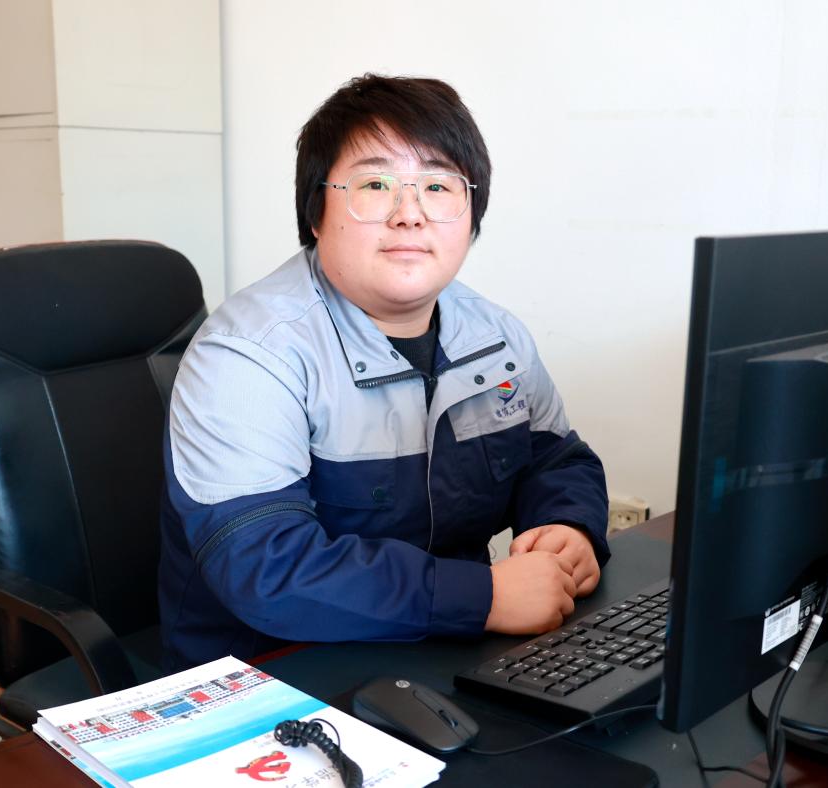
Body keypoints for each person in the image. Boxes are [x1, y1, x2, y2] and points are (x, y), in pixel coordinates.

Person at [159, 74, 610, 671]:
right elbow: (265, 567)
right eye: (375, 185)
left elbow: (557, 461)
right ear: (316, 211)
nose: (410, 215)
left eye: (438, 186)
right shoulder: (247, 355)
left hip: (441, 653)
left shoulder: (495, 337)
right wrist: (483, 597)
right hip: (274, 675)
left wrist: (567, 527)